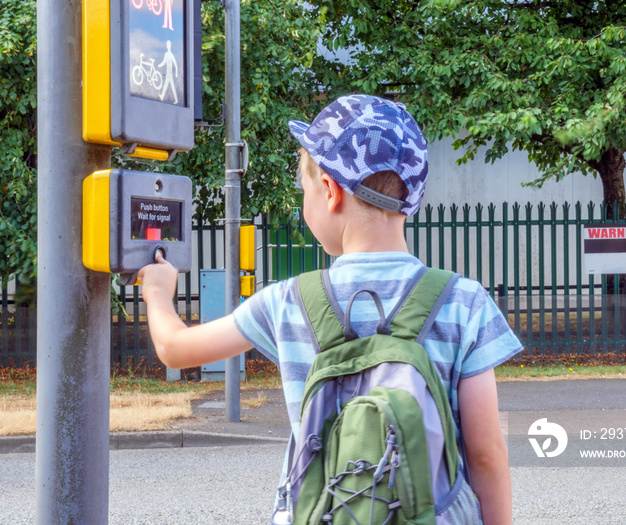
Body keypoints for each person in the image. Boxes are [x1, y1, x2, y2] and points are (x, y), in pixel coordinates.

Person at [138, 94, 522, 524]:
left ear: (329, 191)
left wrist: (158, 292)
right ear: (411, 197)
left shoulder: (289, 301)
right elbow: (486, 452)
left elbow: (175, 348)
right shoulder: (463, 301)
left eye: (305, 190)